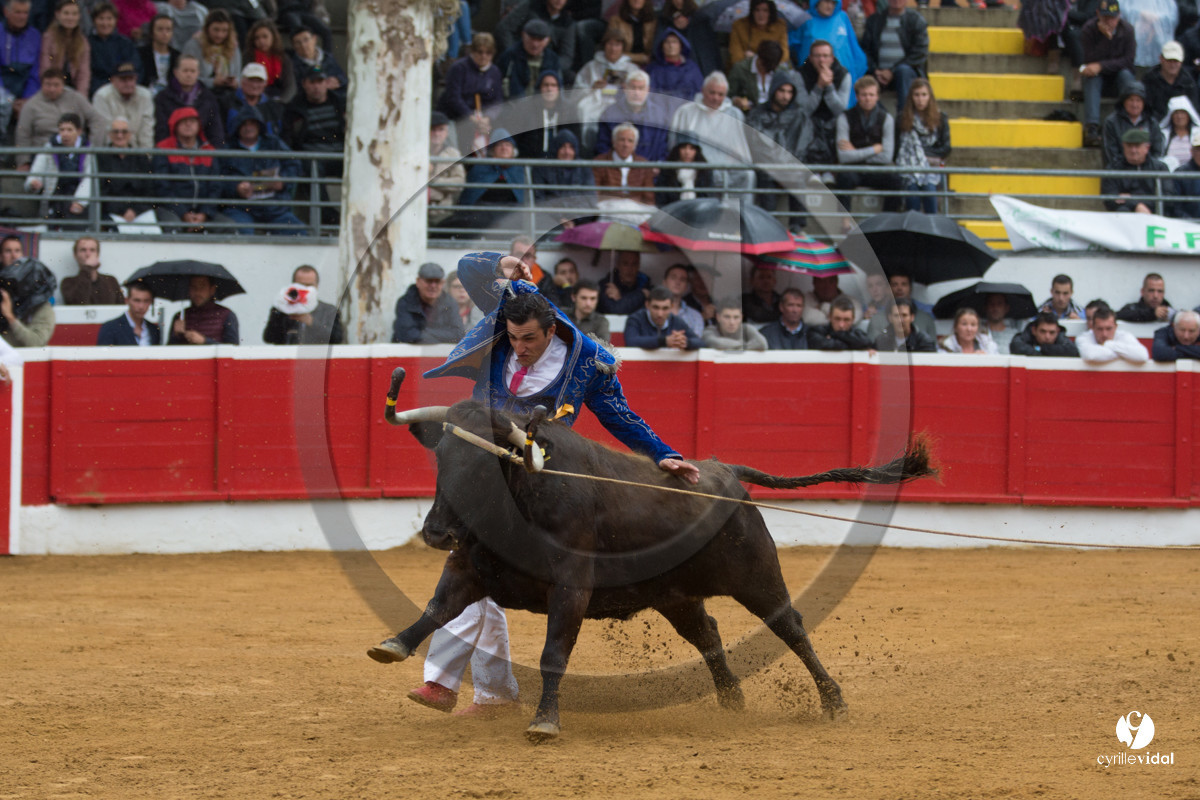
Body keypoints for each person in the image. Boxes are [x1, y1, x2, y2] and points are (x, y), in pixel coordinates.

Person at [396, 252, 698, 719]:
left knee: (481, 578)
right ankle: (467, 688)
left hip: (541, 488)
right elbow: (468, 267)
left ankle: (480, 691)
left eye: (529, 339)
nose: (517, 347)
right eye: (512, 338)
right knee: (476, 574)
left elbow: (619, 416)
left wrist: (663, 453)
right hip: (485, 475)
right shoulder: (508, 312)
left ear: (551, 330)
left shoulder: (588, 363)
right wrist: (505, 262)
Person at [220, 105, 304, 235]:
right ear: (237, 127)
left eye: (253, 123)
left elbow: (294, 164)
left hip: (274, 208)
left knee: (297, 231)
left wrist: (283, 180)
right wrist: (236, 188)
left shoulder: (274, 143)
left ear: (259, 126)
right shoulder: (228, 149)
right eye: (244, 124)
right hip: (241, 208)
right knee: (241, 232)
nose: (249, 128)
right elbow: (219, 178)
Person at [669, 71, 753, 195]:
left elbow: (740, 147)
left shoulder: (735, 114)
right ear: (703, 90)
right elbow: (674, 145)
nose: (716, 98)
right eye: (712, 93)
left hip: (726, 165)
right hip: (695, 164)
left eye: (720, 94)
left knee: (748, 175)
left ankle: (738, 213)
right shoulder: (686, 111)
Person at [835, 75, 902, 221]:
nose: (867, 98)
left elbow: (886, 157)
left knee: (896, 180)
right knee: (843, 178)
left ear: (877, 96)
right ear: (857, 96)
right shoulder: (845, 117)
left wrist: (855, 151)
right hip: (853, 169)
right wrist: (873, 150)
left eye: (871, 95)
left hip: (877, 169)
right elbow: (843, 156)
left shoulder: (886, 118)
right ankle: (844, 223)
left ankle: (887, 222)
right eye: (864, 95)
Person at [15, 69, 107, 171]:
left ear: (63, 85)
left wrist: (93, 147)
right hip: (44, 155)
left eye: (56, 85)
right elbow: (23, 134)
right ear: (41, 85)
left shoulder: (76, 98)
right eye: (48, 85)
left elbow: (97, 120)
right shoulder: (31, 105)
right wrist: (23, 161)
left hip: (78, 153)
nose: (52, 89)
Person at [152, 105, 226, 232]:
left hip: (203, 213)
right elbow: (162, 187)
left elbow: (215, 187)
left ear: (198, 125)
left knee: (228, 227)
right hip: (172, 210)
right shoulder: (163, 149)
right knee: (172, 227)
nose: (188, 125)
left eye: (192, 121)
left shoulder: (209, 151)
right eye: (183, 122)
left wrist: (204, 213)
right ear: (175, 125)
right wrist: (183, 213)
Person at [1080, 0, 1136, 148]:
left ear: (1119, 16)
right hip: (1098, 80)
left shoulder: (1127, 30)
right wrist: (1105, 39)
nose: (1109, 22)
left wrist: (1102, 65)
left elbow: (1128, 61)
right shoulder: (1089, 29)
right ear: (1098, 14)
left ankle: (1130, 122)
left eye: (1112, 18)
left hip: (1119, 78)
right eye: (1105, 18)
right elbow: (1089, 61)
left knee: (1126, 76)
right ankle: (1091, 128)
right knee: (1091, 77)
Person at [435, 33, 503, 155]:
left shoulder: (495, 72)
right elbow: (453, 97)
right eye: (480, 52)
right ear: (472, 51)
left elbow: (497, 101)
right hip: (456, 117)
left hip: (482, 118)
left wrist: (487, 118)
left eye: (488, 53)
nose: (483, 56)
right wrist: (471, 117)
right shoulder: (458, 68)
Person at [24, 112, 96, 225]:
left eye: (69, 130)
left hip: (76, 197)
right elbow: (36, 171)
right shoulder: (49, 148)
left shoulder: (88, 150)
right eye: (62, 130)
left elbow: (89, 177)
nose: (65, 134)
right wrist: (33, 183)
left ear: (79, 131)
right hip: (54, 197)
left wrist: (80, 202)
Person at [860, 0, 928, 115]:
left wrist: (892, 71)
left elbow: (919, 53)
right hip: (878, 72)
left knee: (903, 71)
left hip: (905, 73)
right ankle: (884, 117)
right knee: (860, 80)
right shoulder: (874, 20)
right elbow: (865, 50)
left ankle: (904, 118)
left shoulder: (916, 20)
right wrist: (876, 70)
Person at [895, 78, 950, 213]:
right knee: (912, 192)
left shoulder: (941, 118)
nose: (920, 99)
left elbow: (946, 148)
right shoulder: (902, 118)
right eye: (917, 95)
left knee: (929, 190)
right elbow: (897, 148)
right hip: (908, 167)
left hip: (932, 167)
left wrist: (922, 155)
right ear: (911, 97)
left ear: (930, 97)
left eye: (924, 95)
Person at [572, 27, 634, 146]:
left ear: (623, 47)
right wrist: (592, 88)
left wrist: (627, 90)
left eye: (617, 44)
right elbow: (576, 91)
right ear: (604, 45)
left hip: (621, 105)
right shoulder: (591, 67)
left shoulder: (631, 68)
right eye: (610, 44)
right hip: (596, 105)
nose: (613, 48)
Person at [596, 69, 671, 162]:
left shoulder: (660, 116)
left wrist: (657, 167)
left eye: (641, 88)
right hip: (617, 169)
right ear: (625, 88)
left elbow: (664, 149)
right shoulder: (609, 114)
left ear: (648, 90)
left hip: (650, 171)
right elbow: (603, 147)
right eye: (633, 88)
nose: (636, 93)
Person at [798, 39, 852, 170]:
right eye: (817, 56)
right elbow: (804, 110)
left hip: (833, 119)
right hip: (810, 118)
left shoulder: (844, 75)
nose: (821, 60)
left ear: (832, 58)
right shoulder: (799, 74)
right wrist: (818, 87)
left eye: (825, 56)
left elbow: (840, 110)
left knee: (840, 123)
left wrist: (828, 87)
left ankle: (832, 170)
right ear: (810, 58)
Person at [494, 0, 576, 83]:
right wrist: (514, 54)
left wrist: (547, 68)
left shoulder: (567, 23)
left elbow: (566, 56)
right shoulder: (530, 6)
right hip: (520, 57)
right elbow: (504, 29)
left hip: (546, 64)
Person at [505, 68, 578, 161]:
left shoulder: (569, 110)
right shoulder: (525, 110)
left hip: (560, 163)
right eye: (545, 85)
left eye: (553, 85)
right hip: (531, 162)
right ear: (539, 88)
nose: (549, 89)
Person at [262, 266, 345, 345]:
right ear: (293, 285)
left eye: (309, 285)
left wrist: (312, 322)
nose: (305, 289)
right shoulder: (281, 309)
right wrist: (284, 313)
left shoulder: (329, 310)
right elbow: (268, 338)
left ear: (316, 286)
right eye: (301, 285)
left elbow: (337, 339)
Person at [96, 115, 157, 222]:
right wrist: (122, 211)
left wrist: (135, 210)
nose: (120, 136)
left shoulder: (141, 158)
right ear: (110, 134)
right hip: (112, 212)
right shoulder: (101, 157)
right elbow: (101, 191)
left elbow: (149, 190)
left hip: (139, 212)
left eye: (124, 132)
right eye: (116, 132)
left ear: (130, 134)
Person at [153, 53, 225, 145]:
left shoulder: (209, 98)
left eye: (192, 71)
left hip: (202, 151)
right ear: (176, 72)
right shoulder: (162, 98)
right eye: (185, 71)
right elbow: (161, 130)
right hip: (171, 150)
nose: (189, 75)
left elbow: (215, 130)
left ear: (198, 73)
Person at [791, 0, 864, 87]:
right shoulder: (805, 19)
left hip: (842, 76)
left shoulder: (842, 17)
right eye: (826, 1)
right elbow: (794, 46)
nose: (830, 6)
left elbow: (853, 46)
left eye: (833, 3)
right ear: (817, 2)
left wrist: (859, 70)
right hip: (812, 76)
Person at [0, 242, 57, 347]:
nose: (13, 256)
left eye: (17, 251)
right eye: (8, 251)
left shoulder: (41, 306)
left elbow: (36, 342)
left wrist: (10, 317)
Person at [1102, 128, 1173, 212]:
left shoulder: (1160, 168)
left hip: (1154, 214)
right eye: (1129, 146)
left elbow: (1168, 198)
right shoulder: (1113, 169)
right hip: (1124, 216)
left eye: (1137, 146)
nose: (1133, 150)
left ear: (1147, 147)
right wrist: (1137, 205)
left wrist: (1133, 200)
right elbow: (1110, 199)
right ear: (1123, 146)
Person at [392, 262, 463, 344]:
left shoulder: (450, 303)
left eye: (437, 281)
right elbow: (406, 335)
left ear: (442, 283)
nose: (433, 286)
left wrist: (423, 333)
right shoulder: (405, 302)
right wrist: (442, 336)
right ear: (418, 282)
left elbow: (458, 334)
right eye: (429, 281)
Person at [1101, 80, 1165, 168]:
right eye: (1131, 100)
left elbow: (1157, 150)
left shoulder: (1152, 122)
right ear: (1124, 101)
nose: (1135, 104)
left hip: (1147, 171)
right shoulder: (1111, 122)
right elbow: (1111, 152)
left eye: (1138, 100)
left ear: (1144, 103)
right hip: (1121, 171)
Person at [496, 19, 562, 100]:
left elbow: (559, 88)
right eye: (532, 39)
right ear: (523, 35)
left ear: (547, 40)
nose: (535, 44)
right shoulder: (509, 56)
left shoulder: (552, 59)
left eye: (539, 40)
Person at [92, 61, 155, 147]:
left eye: (131, 79)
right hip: (110, 150)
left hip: (138, 151)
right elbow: (104, 132)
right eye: (123, 80)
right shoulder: (102, 96)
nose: (128, 84)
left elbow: (146, 130)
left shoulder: (145, 96)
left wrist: (146, 156)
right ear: (113, 80)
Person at [593, 122, 654, 206]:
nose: (626, 144)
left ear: (635, 145)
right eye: (622, 140)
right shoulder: (600, 162)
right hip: (608, 207)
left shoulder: (644, 164)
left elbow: (649, 198)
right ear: (614, 142)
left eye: (630, 141)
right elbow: (595, 194)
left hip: (635, 209)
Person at [181, 9, 240, 94]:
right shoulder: (194, 45)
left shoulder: (233, 46)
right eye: (216, 30)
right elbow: (186, 76)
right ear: (207, 28)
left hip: (229, 94)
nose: (220, 35)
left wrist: (234, 82)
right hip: (200, 93)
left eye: (224, 31)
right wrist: (212, 82)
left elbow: (238, 74)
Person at [645, 27, 703, 112]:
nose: (670, 45)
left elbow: (700, 94)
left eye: (674, 42)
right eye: (667, 42)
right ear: (662, 46)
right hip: (659, 113)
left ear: (681, 46)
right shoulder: (653, 69)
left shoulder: (692, 68)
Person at [0, 0, 42, 119]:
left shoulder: (35, 36)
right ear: (6, 12)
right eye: (17, 12)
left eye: (25, 13)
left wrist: (26, 98)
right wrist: (9, 101)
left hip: (26, 93)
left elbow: (35, 72)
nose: (22, 17)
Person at [625, 285, 701, 349]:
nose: (660, 314)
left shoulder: (676, 321)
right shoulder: (635, 319)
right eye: (656, 307)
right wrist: (664, 341)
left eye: (665, 308)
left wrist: (685, 343)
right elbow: (631, 341)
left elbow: (700, 342)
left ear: (671, 307)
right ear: (647, 305)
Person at [89, 3, 140, 97]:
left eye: (109, 19)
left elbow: (135, 66)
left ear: (115, 20)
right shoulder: (87, 43)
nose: (105, 23)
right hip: (97, 91)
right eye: (101, 18)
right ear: (94, 20)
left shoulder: (125, 43)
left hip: (124, 90)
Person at [169, 274, 238, 344]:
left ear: (212, 290)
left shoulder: (226, 315)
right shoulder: (180, 316)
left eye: (202, 287)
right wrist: (176, 335)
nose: (197, 292)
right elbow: (168, 352)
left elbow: (233, 349)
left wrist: (204, 341)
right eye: (193, 287)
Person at [41, 0, 90, 96]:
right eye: (66, 13)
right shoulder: (48, 38)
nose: (70, 17)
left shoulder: (83, 41)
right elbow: (45, 67)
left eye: (74, 14)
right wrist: (53, 88)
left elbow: (84, 74)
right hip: (52, 88)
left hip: (73, 89)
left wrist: (81, 96)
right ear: (57, 15)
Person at [866, 272, 934, 339]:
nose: (899, 288)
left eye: (904, 284)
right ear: (888, 288)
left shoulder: (926, 312)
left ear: (910, 288)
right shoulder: (877, 313)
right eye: (895, 285)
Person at [223, 61, 284, 136]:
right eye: (251, 80)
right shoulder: (225, 103)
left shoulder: (274, 108)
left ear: (265, 84)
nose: (254, 86)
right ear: (242, 81)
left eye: (259, 81)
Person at [729, 39, 789, 114]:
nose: (766, 70)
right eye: (765, 66)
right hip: (749, 113)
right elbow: (729, 95)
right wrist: (737, 100)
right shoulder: (740, 69)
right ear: (759, 59)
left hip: (775, 114)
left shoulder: (781, 71)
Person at [1145, 40, 1199, 123]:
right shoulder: (1149, 79)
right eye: (1169, 60)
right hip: (1154, 124)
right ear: (1161, 59)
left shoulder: (1189, 82)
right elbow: (1146, 108)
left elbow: (1194, 109)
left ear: (1181, 62)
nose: (1172, 64)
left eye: (1176, 61)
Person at [60, 237, 124, 304]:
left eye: (92, 250)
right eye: (83, 250)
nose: (88, 254)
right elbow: (78, 303)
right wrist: (87, 269)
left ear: (97, 254)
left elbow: (121, 307)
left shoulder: (111, 281)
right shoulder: (68, 282)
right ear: (75, 255)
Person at [243, 19, 295, 102]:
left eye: (265, 37)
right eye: (257, 38)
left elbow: (290, 86)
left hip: (279, 99)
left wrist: (281, 101)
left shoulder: (284, 58)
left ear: (273, 37)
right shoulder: (249, 57)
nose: (261, 41)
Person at [1076, 304, 1148, 362]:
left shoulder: (1124, 335)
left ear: (1116, 327)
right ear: (1093, 328)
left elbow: (1142, 355)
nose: (1104, 334)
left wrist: (1110, 345)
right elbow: (1090, 355)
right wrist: (1123, 354)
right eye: (1100, 329)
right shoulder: (1083, 337)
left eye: (1109, 329)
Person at [288, 26, 346, 99]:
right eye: (298, 42)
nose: (303, 45)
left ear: (314, 39)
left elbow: (343, 77)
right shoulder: (292, 65)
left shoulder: (327, 58)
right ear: (293, 46)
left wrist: (338, 80)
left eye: (306, 40)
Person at [428, 110, 464, 227]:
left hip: (442, 212)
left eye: (441, 129)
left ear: (447, 132)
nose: (437, 133)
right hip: (417, 210)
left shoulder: (453, 154)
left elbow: (459, 182)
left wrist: (431, 180)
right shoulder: (417, 152)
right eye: (433, 129)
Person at [655, 135, 713, 206]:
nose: (687, 152)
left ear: (696, 151)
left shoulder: (705, 171)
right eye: (683, 148)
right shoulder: (668, 170)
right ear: (677, 149)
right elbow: (661, 197)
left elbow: (708, 197)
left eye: (691, 148)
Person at [97, 280, 159, 345]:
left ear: (150, 302)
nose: (141, 306)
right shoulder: (110, 328)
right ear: (127, 301)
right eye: (137, 300)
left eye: (146, 301)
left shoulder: (154, 330)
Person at [806, 295, 871, 350]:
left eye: (846, 320)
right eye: (837, 319)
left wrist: (835, 335)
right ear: (830, 317)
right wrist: (851, 343)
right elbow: (822, 344)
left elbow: (866, 342)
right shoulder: (816, 331)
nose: (841, 325)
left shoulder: (858, 335)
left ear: (853, 320)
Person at [702, 297, 767, 350]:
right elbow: (717, 343)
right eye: (727, 317)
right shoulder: (710, 330)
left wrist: (736, 347)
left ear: (741, 317)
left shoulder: (746, 328)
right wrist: (745, 344)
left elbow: (762, 343)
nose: (732, 322)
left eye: (736, 317)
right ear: (718, 317)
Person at [598, 249, 650, 315]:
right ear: (618, 265)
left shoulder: (645, 284)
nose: (630, 269)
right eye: (625, 264)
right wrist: (641, 295)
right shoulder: (606, 286)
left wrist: (621, 300)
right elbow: (615, 311)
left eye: (634, 264)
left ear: (638, 266)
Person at [139, 13, 179, 96]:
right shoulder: (141, 53)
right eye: (160, 29)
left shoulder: (177, 56)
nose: (165, 33)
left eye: (168, 29)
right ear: (152, 32)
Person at [606, 0, 656, 67]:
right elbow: (613, 51)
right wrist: (641, 58)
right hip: (621, 63)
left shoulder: (653, 21)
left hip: (648, 65)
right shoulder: (616, 21)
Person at [660, 263, 704, 337]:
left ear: (686, 286)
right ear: (664, 282)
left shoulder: (696, 316)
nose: (678, 282)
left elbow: (697, 341)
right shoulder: (652, 311)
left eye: (682, 279)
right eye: (673, 278)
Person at [1010, 311, 1081, 356]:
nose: (1047, 337)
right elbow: (1016, 346)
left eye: (1052, 332)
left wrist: (1040, 349)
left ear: (1057, 331)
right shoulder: (1026, 335)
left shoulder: (1061, 338)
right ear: (1034, 330)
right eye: (1043, 331)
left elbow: (1072, 351)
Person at [1158, 94, 1200, 167]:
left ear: (1188, 115)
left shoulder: (1198, 133)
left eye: (1183, 113)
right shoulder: (1163, 134)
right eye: (1176, 113)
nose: (1179, 116)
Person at [1170, 127, 1200, 216]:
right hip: (1187, 226)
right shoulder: (1180, 173)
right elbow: (1175, 206)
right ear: (1192, 151)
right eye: (1199, 149)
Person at [569, 278, 609, 342]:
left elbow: (602, 347)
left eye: (593, 298)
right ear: (573, 297)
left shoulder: (601, 321)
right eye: (584, 298)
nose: (588, 303)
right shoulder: (562, 315)